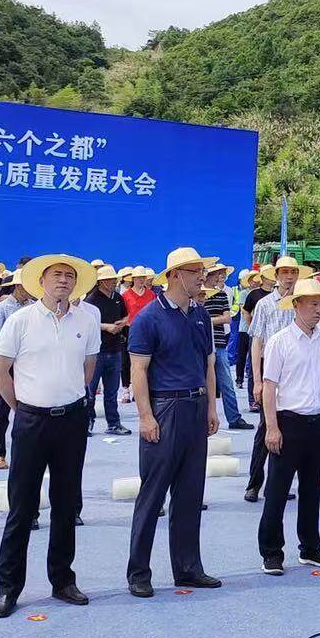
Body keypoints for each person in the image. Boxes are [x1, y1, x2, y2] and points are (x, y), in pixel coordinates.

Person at [0, 253, 99, 618]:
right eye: (56, 275)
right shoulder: (19, 320)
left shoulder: (89, 318)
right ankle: (9, 587)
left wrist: (69, 397)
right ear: (41, 281)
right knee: (21, 506)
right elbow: (1, 371)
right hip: (31, 420)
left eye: (70, 276)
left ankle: (62, 579)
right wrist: (21, 407)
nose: (63, 281)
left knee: (67, 503)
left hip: (70, 419)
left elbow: (89, 367)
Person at [126, 247, 221, 597]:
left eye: (202, 271)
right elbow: (139, 369)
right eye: (195, 271)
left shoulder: (200, 315)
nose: (202, 277)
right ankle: (138, 572)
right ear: (175, 275)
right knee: (152, 495)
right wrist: (146, 416)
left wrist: (212, 408)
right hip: (165, 410)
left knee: (190, 494)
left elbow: (209, 364)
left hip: (196, 408)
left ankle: (188, 568)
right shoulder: (148, 318)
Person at [257, 277, 320, 573]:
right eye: (314, 304)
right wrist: (271, 427)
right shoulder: (280, 341)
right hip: (288, 422)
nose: (319, 310)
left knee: (311, 490)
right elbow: (269, 387)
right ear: (297, 306)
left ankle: (310, 547)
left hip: (317, 422)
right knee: (277, 492)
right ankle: (271, 551)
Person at [246, 255, 308, 503]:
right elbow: (256, 342)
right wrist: (257, 381)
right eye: (284, 273)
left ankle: (280, 483)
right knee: (265, 429)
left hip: (295, 375)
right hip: (270, 372)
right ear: (277, 275)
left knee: (290, 430)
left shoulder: (302, 303)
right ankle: (254, 483)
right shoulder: (264, 304)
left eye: (293, 273)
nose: (289, 277)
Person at [0, 275, 32, 468]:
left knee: (29, 410)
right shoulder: (2, 308)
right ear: (19, 286)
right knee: (2, 411)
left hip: (28, 364)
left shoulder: (34, 307)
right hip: (7, 365)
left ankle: (27, 453)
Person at [200, 261, 251, 430]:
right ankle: (201, 418)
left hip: (220, 343)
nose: (220, 277)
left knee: (226, 383)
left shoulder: (221, 295)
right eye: (217, 274)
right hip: (201, 344)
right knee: (200, 383)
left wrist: (205, 320)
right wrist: (213, 320)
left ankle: (234, 418)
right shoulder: (198, 294)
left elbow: (227, 318)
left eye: (221, 274)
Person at [83, 265, 132, 435]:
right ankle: (87, 422)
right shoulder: (91, 300)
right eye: (111, 280)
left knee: (112, 391)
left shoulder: (118, 297)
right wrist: (107, 327)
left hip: (115, 348)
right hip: (97, 351)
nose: (113, 282)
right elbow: (88, 322)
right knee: (90, 391)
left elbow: (126, 315)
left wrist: (121, 323)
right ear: (102, 282)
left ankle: (113, 423)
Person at [236, 269, 270, 391]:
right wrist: (252, 326)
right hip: (245, 329)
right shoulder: (247, 294)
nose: (255, 282)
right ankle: (239, 378)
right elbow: (244, 311)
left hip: (262, 333)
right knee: (243, 354)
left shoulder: (269, 294)